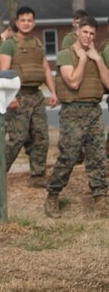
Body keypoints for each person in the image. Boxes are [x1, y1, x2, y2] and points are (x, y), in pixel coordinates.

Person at [45, 17, 109, 217]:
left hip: (93, 110)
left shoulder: (97, 55)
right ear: (78, 31)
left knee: (98, 156)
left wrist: (98, 60)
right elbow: (72, 82)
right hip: (73, 112)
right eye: (85, 32)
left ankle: (100, 200)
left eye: (92, 34)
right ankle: (52, 195)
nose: (88, 37)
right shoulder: (65, 54)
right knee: (69, 156)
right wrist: (82, 59)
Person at [0, 6, 58, 187]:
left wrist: (53, 92)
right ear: (17, 23)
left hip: (37, 96)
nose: (26, 23)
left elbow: (46, 69)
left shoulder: (38, 44)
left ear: (34, 23)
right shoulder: (9, 44)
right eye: (23, 20)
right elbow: (3, 72)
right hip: (19, 96)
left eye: (29, 20)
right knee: (17, 139)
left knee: (41, 137)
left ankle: (38, 175)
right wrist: (10, 96)